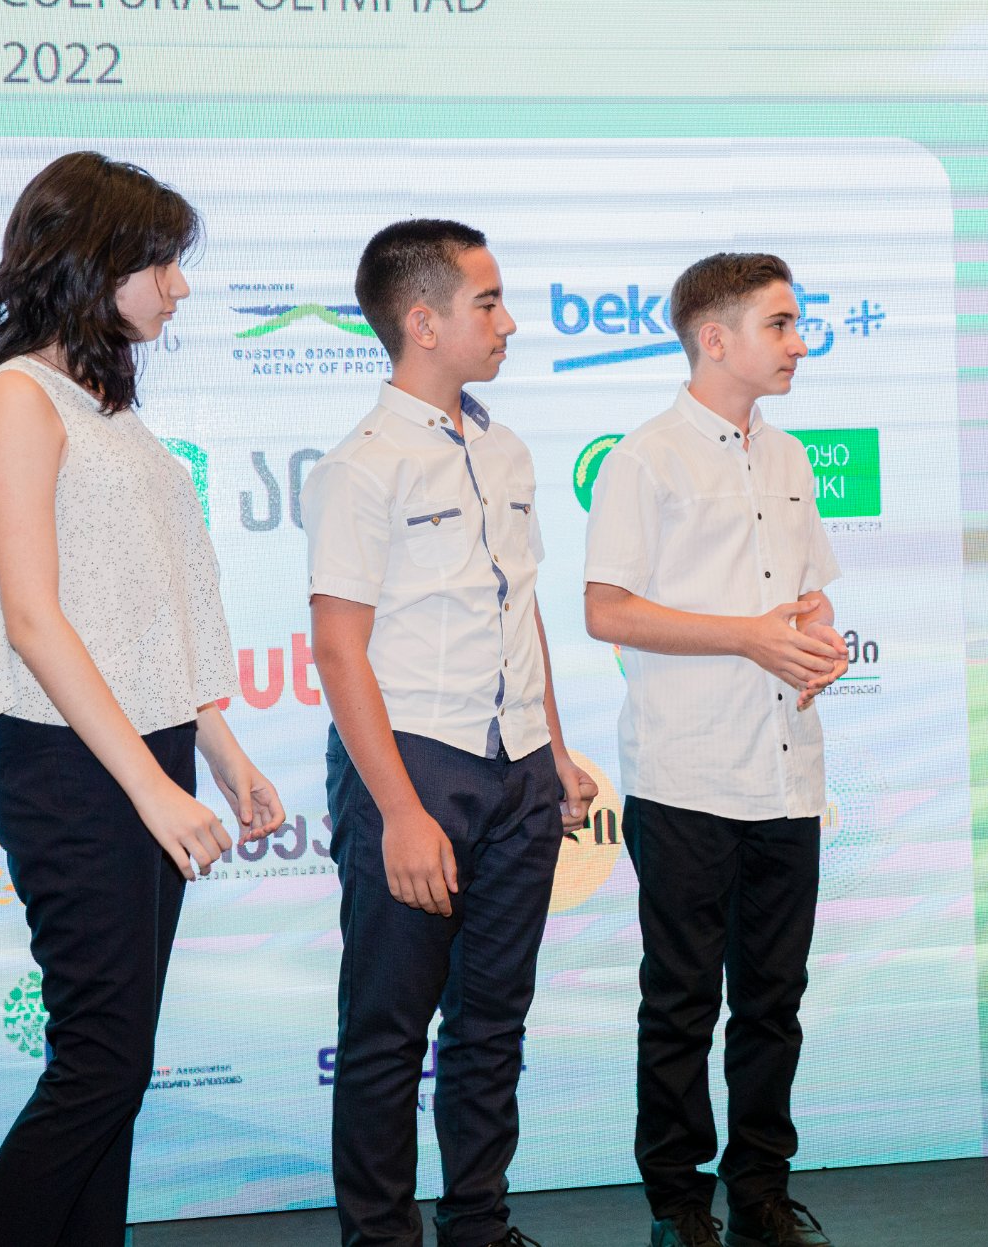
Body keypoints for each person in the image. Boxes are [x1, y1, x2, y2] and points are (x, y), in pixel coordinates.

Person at [0, 151, 285, 1247]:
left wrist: (220, 753)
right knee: (99, 1063)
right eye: (161, 264)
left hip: (146, 752)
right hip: (71, 764)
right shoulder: (19, 396)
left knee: (116, 1066)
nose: (178, 288)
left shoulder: (108, 409)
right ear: (94, 264)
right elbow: (34, 619)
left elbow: (147, 618)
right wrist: (150, 788)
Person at [304, 219, 598, 1247]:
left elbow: (520, 608)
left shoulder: (505, 449)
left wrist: (554, 748)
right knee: (386, 1032)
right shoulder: (361, 465)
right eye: (488, 302)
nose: (508, 322)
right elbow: (337, 648)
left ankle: (479, 1225)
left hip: (519, 770)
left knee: (492, 1022)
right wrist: (397, 812)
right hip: (414, 767)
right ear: (422, 323)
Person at [583, 253, 850, 1247]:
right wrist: (748, 638)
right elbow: (606, 609)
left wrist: (816, 638)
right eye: (779, 325)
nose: (798, 344)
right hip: (686, 775)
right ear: (713, 338)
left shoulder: (787, 458)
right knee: (682, 1001)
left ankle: (761, 1191)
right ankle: (677, 1201)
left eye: (796, 324)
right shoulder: (645, 458)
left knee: (774, 1001)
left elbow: (807, 597)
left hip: (786, 771)